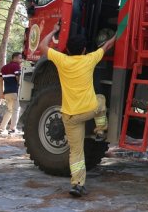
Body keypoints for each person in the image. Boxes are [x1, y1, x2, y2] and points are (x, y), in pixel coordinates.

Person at [38, 22, 116, 197]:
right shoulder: (89, 60)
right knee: (101, 99)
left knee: (76, 152)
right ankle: (100, 129)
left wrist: (54, 30)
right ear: (83, 50)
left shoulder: (62, 60)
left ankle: (78, 184)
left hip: (69, 116)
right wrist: (119, 31)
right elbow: (108, 45)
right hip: (89, 110)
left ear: (67, 49)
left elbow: (42, 46)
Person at [0, 52, 24, 137]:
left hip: (7, 93)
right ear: (14, 58)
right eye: (20, 58)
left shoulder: (4, 68)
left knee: (9, 110)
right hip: (15, 92)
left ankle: (2, 129)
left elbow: (0, 81)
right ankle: (13, 129)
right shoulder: (16, 66)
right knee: (16, 110)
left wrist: (1, 93)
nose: (21, 60)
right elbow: (18, 78)